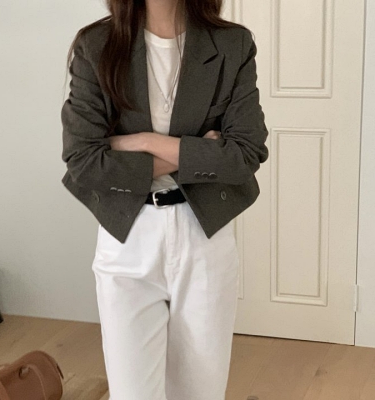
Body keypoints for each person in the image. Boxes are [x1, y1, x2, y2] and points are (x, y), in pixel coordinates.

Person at [61, 0, 269, 399]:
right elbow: (84, 160)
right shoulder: (97, 45)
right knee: (132, 392)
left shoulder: (232, 44)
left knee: (200, 390)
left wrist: (140, 142)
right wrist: (199, 151)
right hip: (127, 235)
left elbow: (245, 154)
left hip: (204, 233)